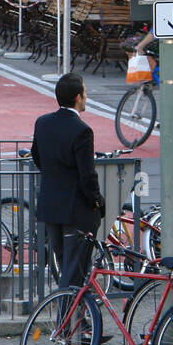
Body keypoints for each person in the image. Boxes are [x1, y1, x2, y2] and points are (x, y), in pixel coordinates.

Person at [30, 73, 104, 289]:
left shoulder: (42, 123)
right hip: (76, 211)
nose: (86, 97)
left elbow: (37, 156)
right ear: (78, 97)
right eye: (85, 93)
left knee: (65, 268)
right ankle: (67, 320)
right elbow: (87, 175)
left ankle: (78, 321)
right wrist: (97, 202)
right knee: (74, 274)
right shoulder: (82, 130)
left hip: (51, 208)